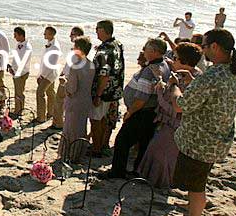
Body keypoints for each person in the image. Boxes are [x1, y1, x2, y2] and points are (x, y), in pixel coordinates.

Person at [170, 29, 236, 216]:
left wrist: (174, 87)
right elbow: (214, 96)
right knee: (198, 181)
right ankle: (191, 215)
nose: (202, 51)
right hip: (219, 138)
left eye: (204, 46)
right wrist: (193, 81)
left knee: (196, 186)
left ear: (214, 46)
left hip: (200, 141)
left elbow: (181, 105)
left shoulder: (212, 75)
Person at [101, 38, 171, 179]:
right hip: (151, 112)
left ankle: (118, 171)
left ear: (155, 52)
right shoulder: (163, 65)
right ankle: (138, 170)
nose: (144, 50)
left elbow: (141, 99)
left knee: (122, 141)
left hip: (141, 112)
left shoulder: (150, 71)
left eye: (147, 48)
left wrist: (130, 112)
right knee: (144, 141)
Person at [137, 42, 203, 189]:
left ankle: (159, 183)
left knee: (160, 153)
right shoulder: (193, 74)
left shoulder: (189, 79)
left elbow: (175, 107)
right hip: (173, 123)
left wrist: (162, 89)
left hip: (176, 124)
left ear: (185, 62)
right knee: (158, 151)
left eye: (176, 58)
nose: (173, 60)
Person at [90, 20, 125, 156]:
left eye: (97, 29)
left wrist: (98, 95)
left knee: (96, 119)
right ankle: (102, 144)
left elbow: (104, 75)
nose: (96, 31)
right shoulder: (117, 44)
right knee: (104, 118)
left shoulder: (105, 50)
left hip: (104, 92)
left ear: (104, 30)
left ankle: (96, 148)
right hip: (115, 90)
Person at [58, 36, 95, 162]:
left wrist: (64, 82)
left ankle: (70, 154)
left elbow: (72, 89)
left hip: (75, 101)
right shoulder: (91, 64)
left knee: (70, 128)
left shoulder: (76, 66)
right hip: (86, 100)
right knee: (81, 127)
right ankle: (79, 153)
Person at [35, 26, 61, 125]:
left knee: (40, 93)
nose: (44, 34)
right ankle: (51, 112)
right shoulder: (49, 44)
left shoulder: (54, 47)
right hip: (46, 73)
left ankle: (41, 117)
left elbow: (51, 64)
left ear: (51, 34)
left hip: (49, 74)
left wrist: (43, 76)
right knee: (50, 93)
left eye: (45, 33)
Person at [9, 26, 32, 116]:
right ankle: (18, 109)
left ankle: (19, 111)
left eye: (15, 35)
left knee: (19, 92)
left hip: (21, 72)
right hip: (16, 71)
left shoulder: (27, 47)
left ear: (21, 35)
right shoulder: (19, 44)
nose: (14, 37)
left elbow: (23, 62)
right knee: (17, 91)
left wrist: (16, 72)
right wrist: (11, 67)